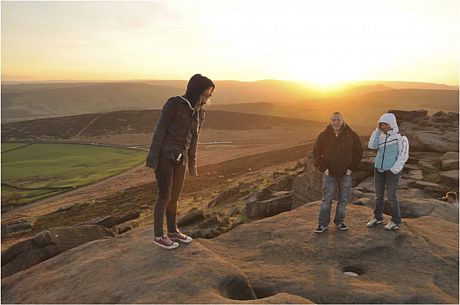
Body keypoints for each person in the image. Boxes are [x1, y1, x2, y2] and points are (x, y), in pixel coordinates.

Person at [146, 74, 214, 249]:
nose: (209, 97)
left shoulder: (200, 112)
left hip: (181, 158)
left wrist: (192, 165)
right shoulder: (174, 104)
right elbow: (159, 130)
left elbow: (195, 138)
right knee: (164, 195)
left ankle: (172, 230)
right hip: (165, 157)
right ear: (197, 91)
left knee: (175, 197)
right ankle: (158, 236)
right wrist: (153, 159)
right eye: (207, 93)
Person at [312, 112, 364, 233]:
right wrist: (323, 168)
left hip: (345, 174)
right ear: (330, 121)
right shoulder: (324, 136)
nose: (336, 122)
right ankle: (323, 224)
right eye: (334, 120)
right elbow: (316, 152)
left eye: (338, 120)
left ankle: (339, 221)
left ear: (342, 121)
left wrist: (351, 168)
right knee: (326, 200)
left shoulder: (351, 135)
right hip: (329, 174)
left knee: (343, 200)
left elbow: (359, 152)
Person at [366, 112, 409, 230]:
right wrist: (377, 130)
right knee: (378, 196)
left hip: (391, 171)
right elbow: (372, 146)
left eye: (385, 124)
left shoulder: (400, 137)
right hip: (378, 169)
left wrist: (394, 169)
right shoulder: (380, 135)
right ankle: (377, 217)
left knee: (391, 197)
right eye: (381, 124)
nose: (383, 126)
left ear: (392, 123)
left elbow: (403, 155)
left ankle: (395, 221)